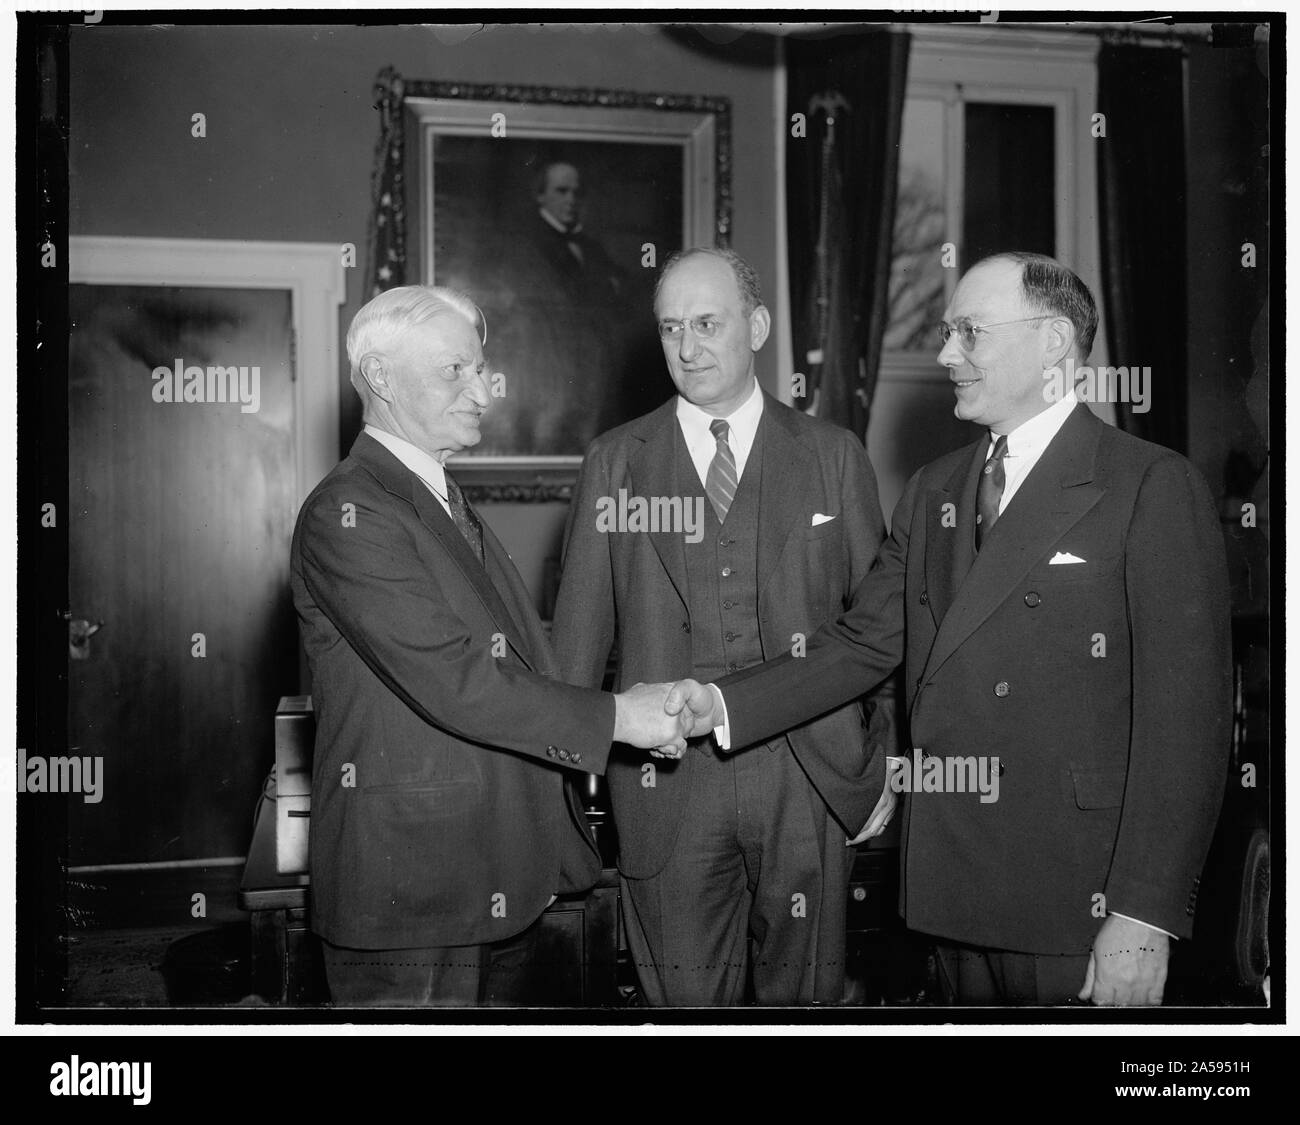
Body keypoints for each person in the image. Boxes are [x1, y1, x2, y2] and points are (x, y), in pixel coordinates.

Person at [668, 252, 1232, 1007]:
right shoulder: (936, 487)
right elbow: (858, 643)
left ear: (1055, 343)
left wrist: (1143, 912)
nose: (944, 355)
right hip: (951, 889)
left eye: (970, 332)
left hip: (1080, 899)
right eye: (946, 332)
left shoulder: (1150, 485)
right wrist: (723, 701)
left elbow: (1187, 728)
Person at [289, 285, 691, 1007]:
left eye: (481, 369)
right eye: (456, 370)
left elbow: (515, 656)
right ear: (379, 377)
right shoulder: (347, 513)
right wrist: (619, 718)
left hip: (490, 871)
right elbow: (458, 679)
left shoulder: (438, 496)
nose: (482, 390)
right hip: (410, 891)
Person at [551, 248, 897, 1006]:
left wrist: (876, 768)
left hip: (808, 776)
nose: (687, 346)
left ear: (759, 326)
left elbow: (880, 627)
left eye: (708, 323)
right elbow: (577, 645)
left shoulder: (833, 455)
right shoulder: (616, 461)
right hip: (666, 786)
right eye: (672, 327)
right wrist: (564, 796)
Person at [485, 160, 641, 454]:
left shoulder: (591, 247)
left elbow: (619, 297)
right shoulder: (523, 246)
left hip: (591, 375)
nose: (571, 200)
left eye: (576, 192)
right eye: (562, 191)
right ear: (540, 195)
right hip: (545, 374)